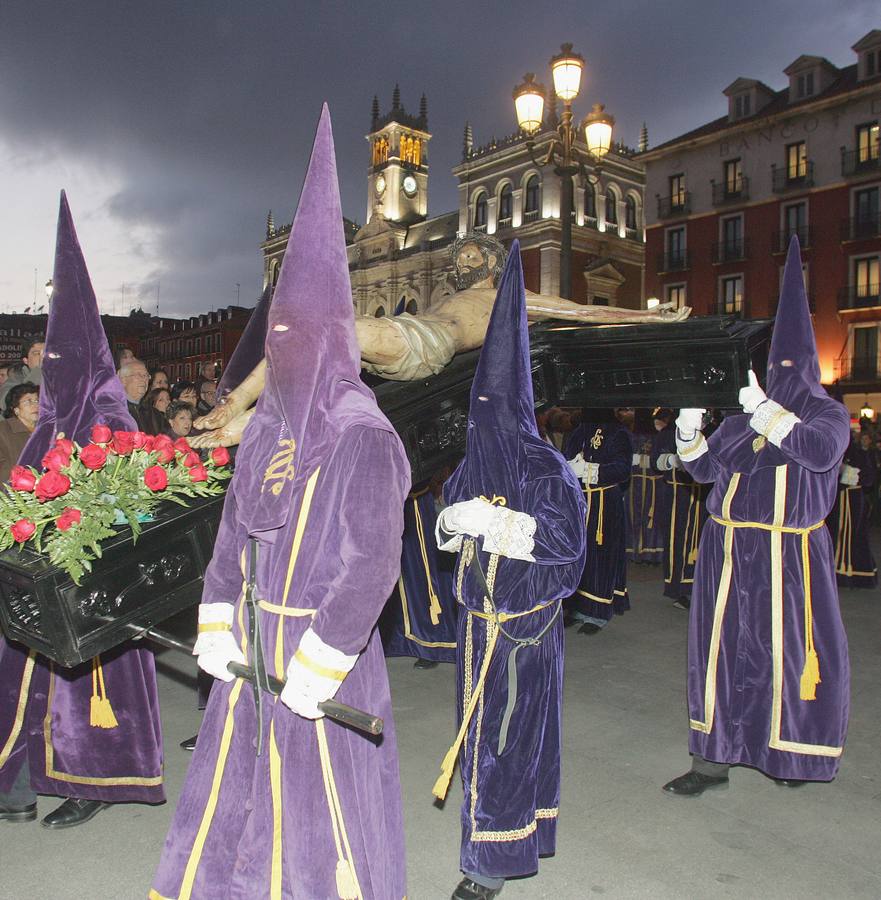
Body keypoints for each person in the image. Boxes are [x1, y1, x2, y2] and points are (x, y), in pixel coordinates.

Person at [151, 106, 409, 899]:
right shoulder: (263, 428)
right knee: (238, 795)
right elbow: (233, 531)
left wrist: (320, 661)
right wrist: (216, 621)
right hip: (250, 652)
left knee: (315, 812)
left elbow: (369, 563)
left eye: (302, 339)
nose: (286, 354)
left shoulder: (362, 434)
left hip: (311, 660)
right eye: (279, 338)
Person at [189, 235, 691, 448]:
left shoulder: (508, 296)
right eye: (462, 256)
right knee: (306, 349)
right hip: (409, 341)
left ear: (494, 263)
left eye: (473, 255)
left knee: (323, 326)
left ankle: (233, 410)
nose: (464, 262)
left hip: (425, 345)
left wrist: (655, 318)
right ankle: (229, 420)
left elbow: (584, 312)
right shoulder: (453, 294)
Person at [663, 237, 851, 797]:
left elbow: (819, 452)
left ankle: (789, 752)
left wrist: (767, 413)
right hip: (727, 553)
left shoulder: (827, 412)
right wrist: (689, 432)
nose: (783, 371)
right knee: (719, 656)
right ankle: (711, 760)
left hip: (790, 555)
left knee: (787, 656)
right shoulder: (742, 418)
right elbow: (701, 472)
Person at [0, 192, 164, 829]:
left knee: (86, 691)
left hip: (98, 583)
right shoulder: (47, 423)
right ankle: (20, 781)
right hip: (44, 580)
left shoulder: (109, 420)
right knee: (25, 683)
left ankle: (93, 777)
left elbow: (133, 496)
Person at [431, 240, 586, 900]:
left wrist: (494, 525)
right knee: (479, 745)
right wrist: (451, 522)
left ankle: (488, 865)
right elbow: (445, 518)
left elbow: (564, 547)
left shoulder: (545, 469)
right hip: (476, 628)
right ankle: (496, 838)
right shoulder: (475, 462)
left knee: (507, 741)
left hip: (521, 633)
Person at [563, 408, 632, 634]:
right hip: (580, 500)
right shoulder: (579, 431)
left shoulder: (618, 433)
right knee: (579, 554)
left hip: (604, 503)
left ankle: (597, 612)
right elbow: (565, 458)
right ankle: (576, 608)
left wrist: (590, 470)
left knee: (601, 556)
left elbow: (622, 469)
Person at [381, 472, 458, 668]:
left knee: (420, 572)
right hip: (381, 499)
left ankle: (430, 642)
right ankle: (391, 638)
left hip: (412, 499)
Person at [652, 409, 711, 610]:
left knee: (702, 540)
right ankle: (678, 587)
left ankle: (697, 585)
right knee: (677, 540)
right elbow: (655, 463)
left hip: (702, 495)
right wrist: (675, 461)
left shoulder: (712, 432)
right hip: (678, 494)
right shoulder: (667, 434)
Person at [826, 435, 877, 588]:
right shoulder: (848, 451)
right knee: (845, 533)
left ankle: (845, 573)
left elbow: (866, 477)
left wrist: (845, 472)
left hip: (849, 499)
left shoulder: (854, 453)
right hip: (846, 498)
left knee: (846, 534)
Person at [627, 409, 665, 564]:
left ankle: (640, 551)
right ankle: (646, 552)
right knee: (646, 516)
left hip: (645, 482)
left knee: (643, 516)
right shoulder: (655, 436)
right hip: (646, 483)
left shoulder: (632, 437)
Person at [0, 382, 39, 483]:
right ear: (16, 409)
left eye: (37, 400)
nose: (36, 405)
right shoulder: (3, 430)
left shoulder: (46, 428)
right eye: (28, 401)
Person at [0, 335, 45, 408]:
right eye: (37, 353)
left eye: (46, 353)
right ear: (26, 360)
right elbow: (5, 404)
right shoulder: (17, 376)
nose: (43, 357)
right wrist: (38, 371)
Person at [118, 358, 150, 429]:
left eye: (146, 375)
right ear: (123, 380)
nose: (144, 379)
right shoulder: (114, 411)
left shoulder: (154, 414)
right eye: (138, 375)